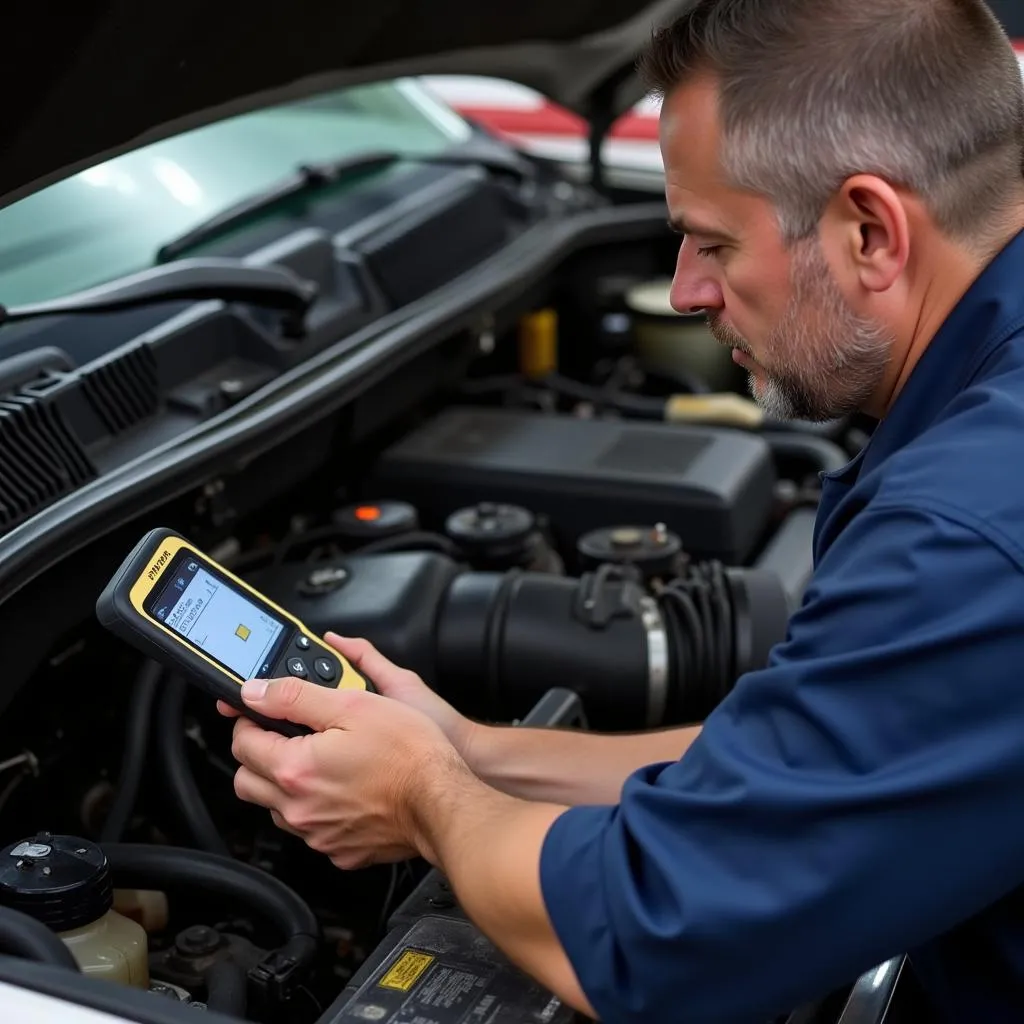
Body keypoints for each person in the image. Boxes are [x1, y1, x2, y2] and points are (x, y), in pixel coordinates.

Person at [219, 0, 1024, 1020]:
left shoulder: (970, 531)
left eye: (710, 243)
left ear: (870, 230)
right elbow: (793, 769)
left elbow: (658, 936)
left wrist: (421, 798)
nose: (684, 290)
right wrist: (470, 747)